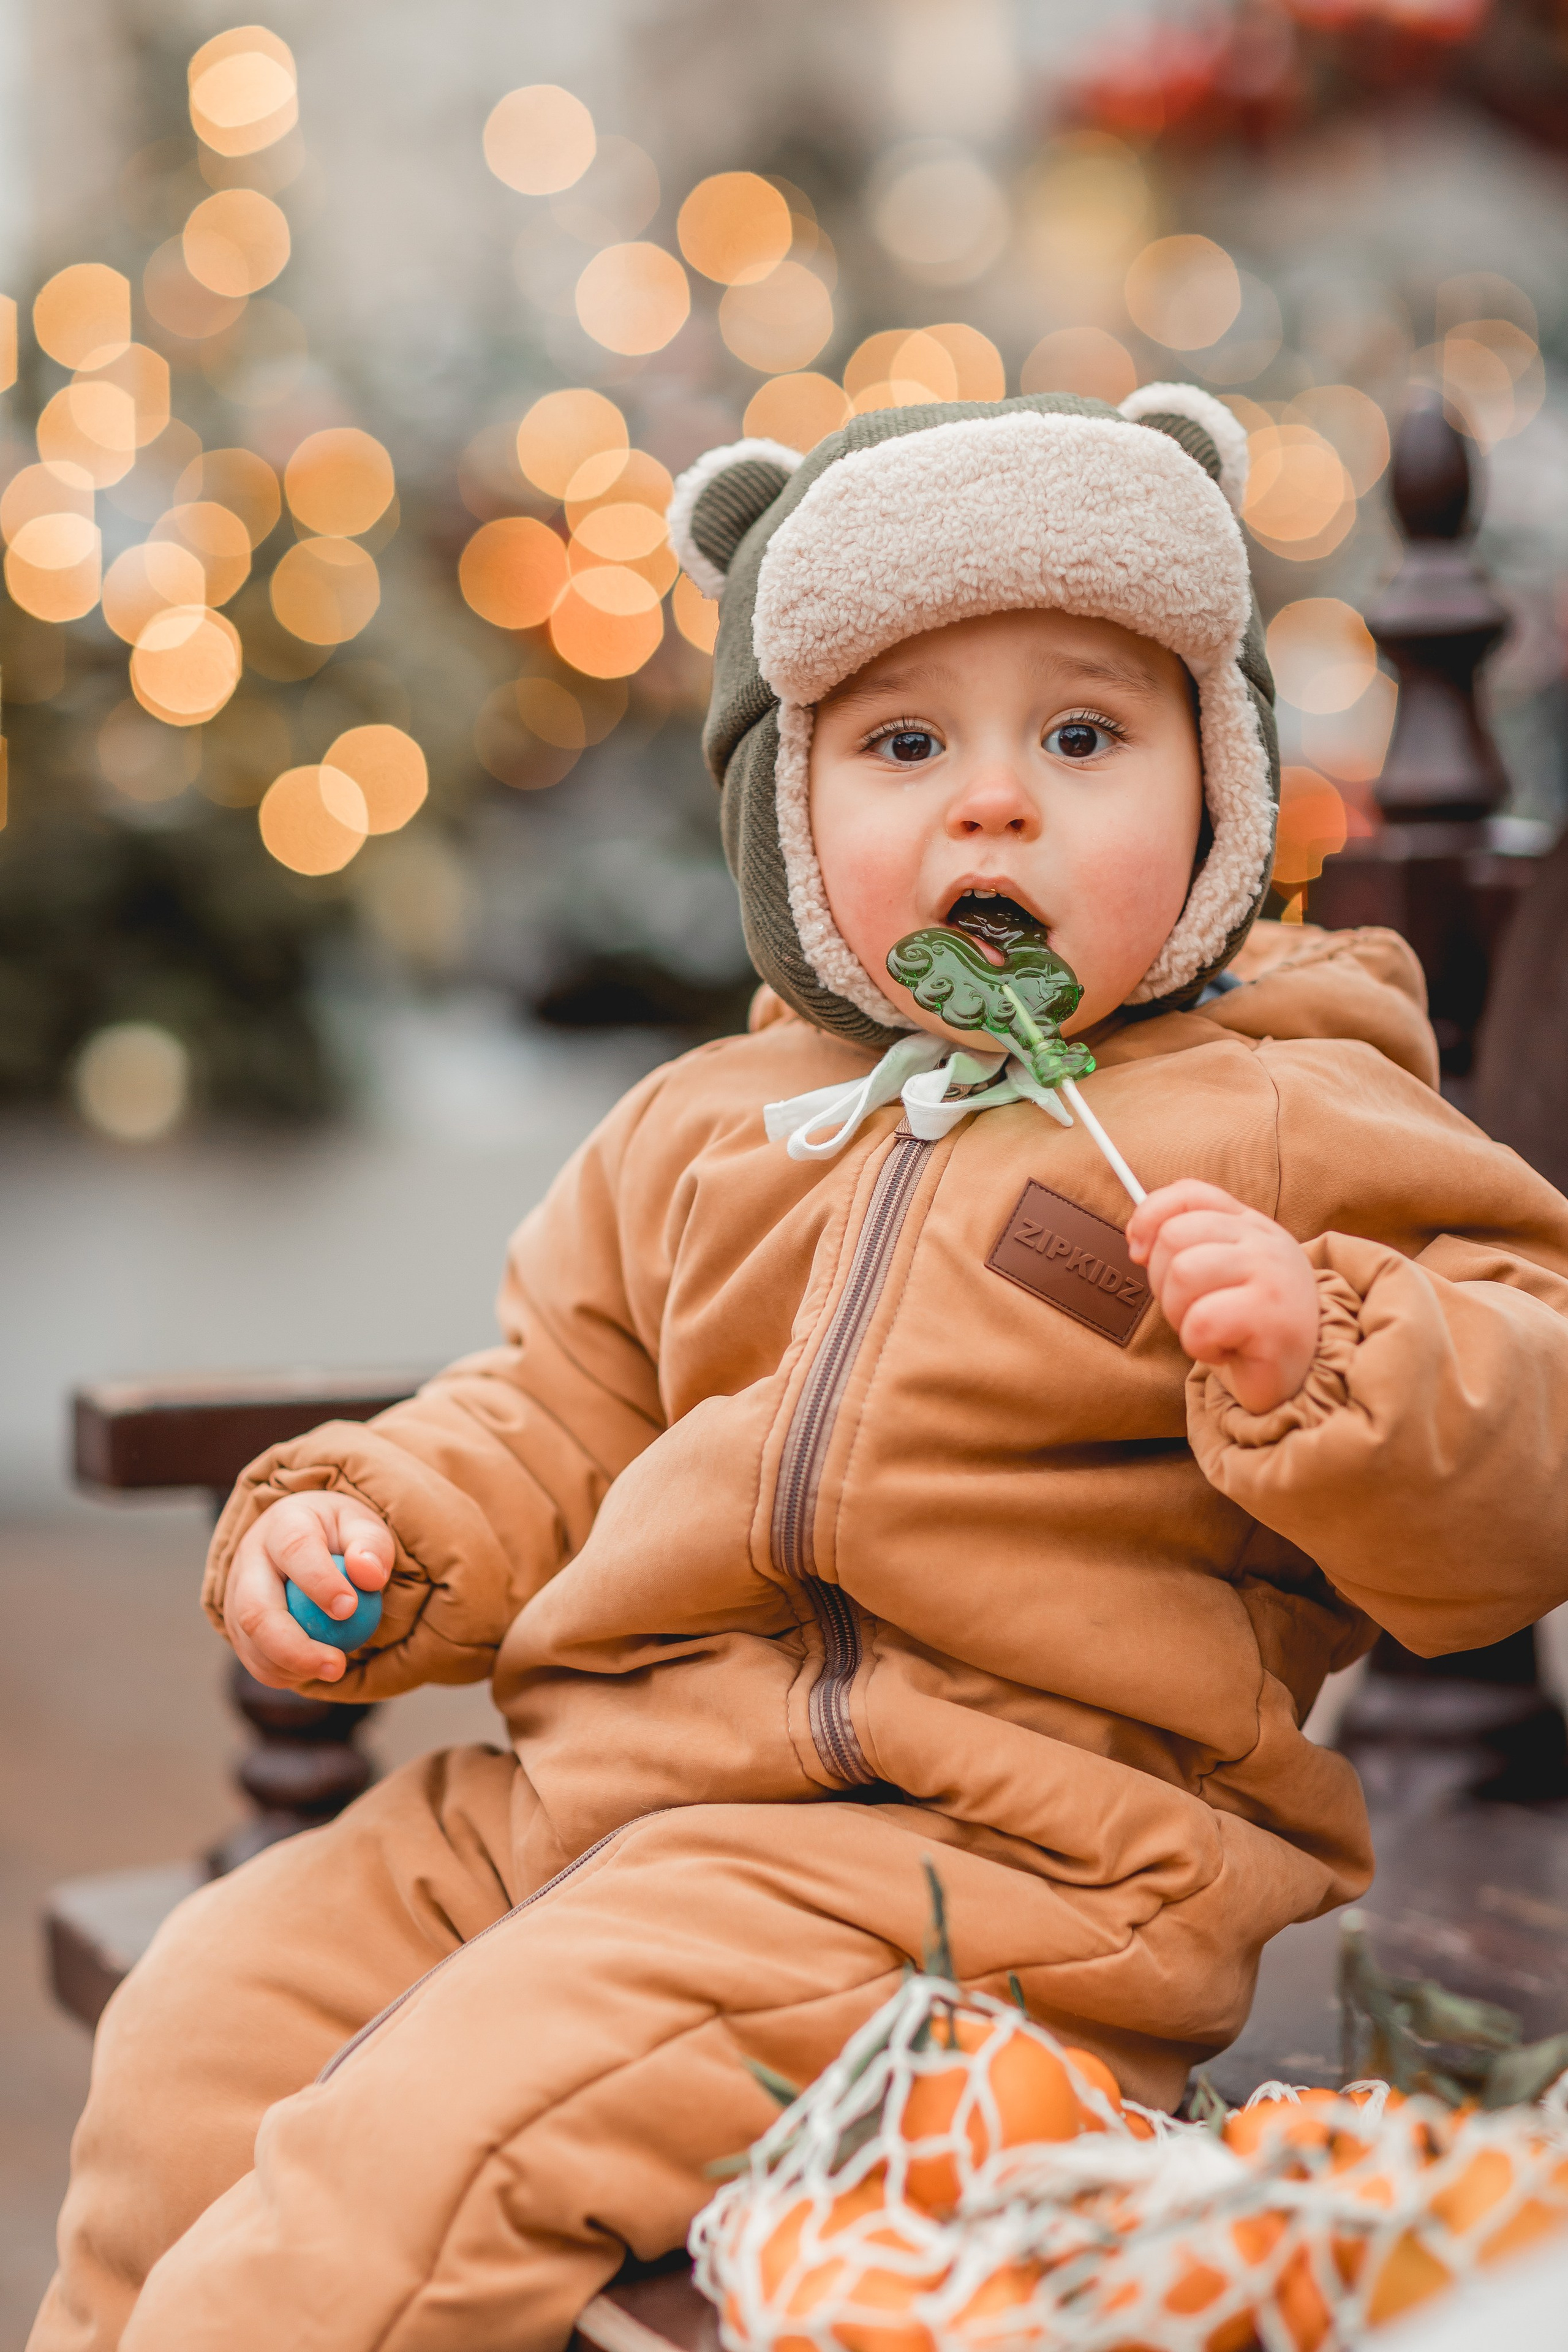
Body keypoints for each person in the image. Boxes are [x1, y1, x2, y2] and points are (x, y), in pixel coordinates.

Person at [34, 388, 1568, 2352]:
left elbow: (1522, 1453)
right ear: (787, 813)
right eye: (905, 745)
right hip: (592, 1810)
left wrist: (1331, 1349)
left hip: (989, 1878)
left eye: (1084, 736)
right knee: (220, 1995)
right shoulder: (715, 1123)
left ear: (1223, 783)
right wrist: (377, 1521)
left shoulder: (1284, 1109)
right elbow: (554, 1407)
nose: (994, 801)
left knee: (430, 2141)